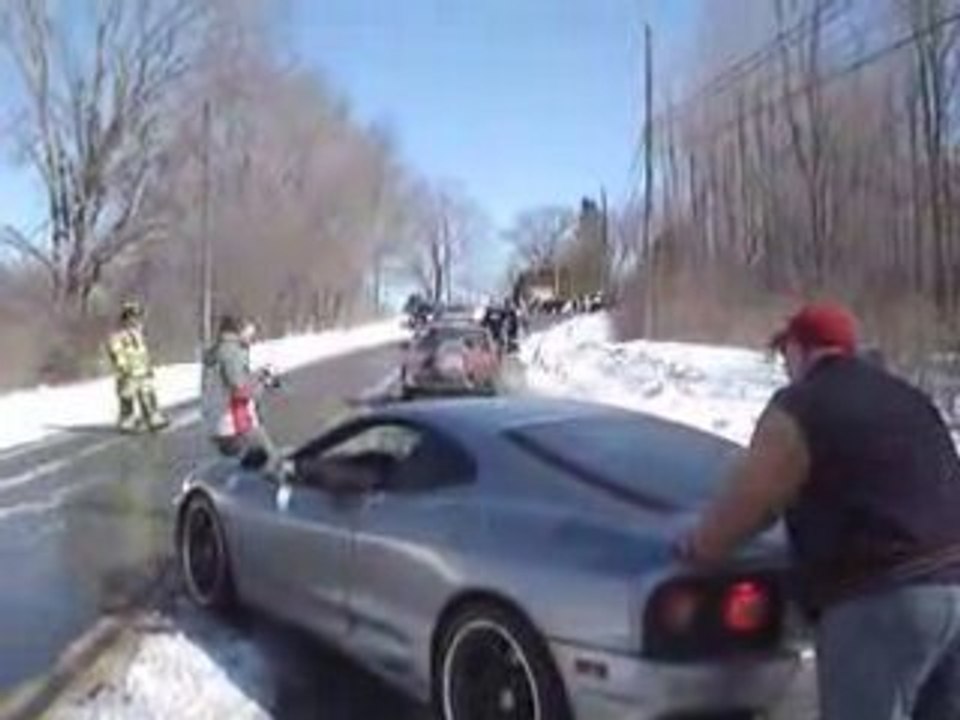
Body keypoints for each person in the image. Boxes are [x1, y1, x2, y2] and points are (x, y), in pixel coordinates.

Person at [676, 301, 960, 720]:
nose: (784, 365)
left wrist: (701, 546)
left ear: (800, 349)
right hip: (952, 588)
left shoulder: (802, 407)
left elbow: (753, 497)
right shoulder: (908, 398)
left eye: (785, 352)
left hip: (880, 600)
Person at [202, 314, 277, 460]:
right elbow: (240, 391)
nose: (251, 338)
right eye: (249, 333)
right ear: (239, 331)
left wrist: (258, 374)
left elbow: (230, 380)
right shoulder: (231, 351)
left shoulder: (219, 350)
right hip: (233, 424)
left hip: (217, 424)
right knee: (269, 458)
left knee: (245, 462)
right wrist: (263, 383)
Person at [106, 300, 168, 432]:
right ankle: (127, 421)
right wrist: (123, 367)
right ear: (126, 317)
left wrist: (148, 366)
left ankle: (153, 417)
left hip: (143, 371)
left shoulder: (139, 333)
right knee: (127, 396)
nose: (135, 319)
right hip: (128, 373)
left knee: (148, 394)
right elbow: (116, 352)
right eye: (132, 316)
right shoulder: (118, 335)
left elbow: (143, 352)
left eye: (137, 316)